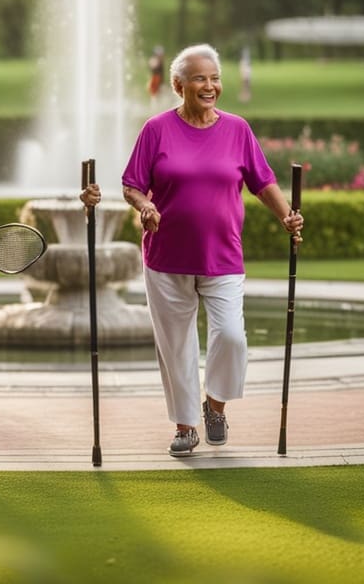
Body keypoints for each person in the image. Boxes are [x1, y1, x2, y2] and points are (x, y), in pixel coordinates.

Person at [80, 43, 303, 457]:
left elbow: (262, 182)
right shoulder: (157, 129)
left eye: (215, 78)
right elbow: (132, 184)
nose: (210, 86)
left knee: (232, 337)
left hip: (223, 256)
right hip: (165, 258)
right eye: (199, 78)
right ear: (178, 85)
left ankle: (214, 405)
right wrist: (145, 205)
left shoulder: (237, 129)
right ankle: (185, 426)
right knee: (177, 346)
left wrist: (287, 215)